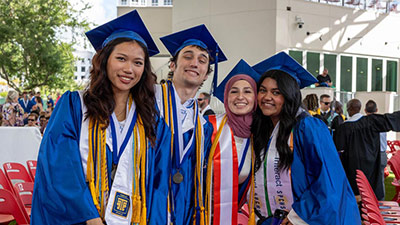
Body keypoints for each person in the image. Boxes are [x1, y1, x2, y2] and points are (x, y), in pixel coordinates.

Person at [31, 10, 171, 224]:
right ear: (104, 61)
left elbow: (159, 183)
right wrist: (89, 216)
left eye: (138, 63)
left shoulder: (151, 119)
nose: (129, 69)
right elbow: (60, 164)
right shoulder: (75, 106)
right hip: (83, 219)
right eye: (121, 59)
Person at [251, 52, 361, 224]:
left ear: (289, 95)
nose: (267, 97)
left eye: (276, 92)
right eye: (263, 90)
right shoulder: (263, 129)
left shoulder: (308, 127)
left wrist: (298, 215)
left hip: (301, 219)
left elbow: (328, 180)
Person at [158, 24, 227, 224]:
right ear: (172, 65)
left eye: (202, 60)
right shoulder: (148, 104)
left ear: (206, 74)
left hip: (182, 210)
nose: (194, 63)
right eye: (187, 56)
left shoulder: (202, 125)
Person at [205, 59, 259, 224]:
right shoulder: (208, 127)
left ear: (256, 97)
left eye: (247, 91)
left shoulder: (260, 134)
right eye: (234, 91)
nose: (240, 97)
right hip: (204, 214)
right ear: (226, 96)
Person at [335, 99, 400, 201]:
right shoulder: (371, 122)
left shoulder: (343, 128)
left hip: (352, 167)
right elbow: (389, 120)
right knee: (371, 191)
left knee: (357, 192)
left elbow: (338, 149)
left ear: (349, 109)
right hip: (372, 164)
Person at [365, 99, 388, 199]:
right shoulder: (382, 122)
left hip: (368, 154)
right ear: (377, 110)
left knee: (366, 180)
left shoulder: (363, 123)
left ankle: (368, 203)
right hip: (382, 153)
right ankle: (380, 202)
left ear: (365, 110)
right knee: (380, 180)